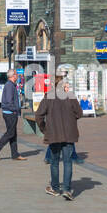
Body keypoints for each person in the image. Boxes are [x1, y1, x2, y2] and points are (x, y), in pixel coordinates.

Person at [35, 72, 82, 200]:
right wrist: (71, 120)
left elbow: (38, 115)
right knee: (67, 162)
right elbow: (79, 113)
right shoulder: (70, 96)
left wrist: (44, 128)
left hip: (54, 133)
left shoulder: (49, 96)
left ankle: (55, 188)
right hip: (68, 134)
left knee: (54, 162)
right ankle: (66, 189)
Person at [0, 72, 27, 161]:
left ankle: (15, 154)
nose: (17, 76)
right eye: (16, 74)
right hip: (10, 113)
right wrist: (15, 110)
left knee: (13, 134)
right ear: (12, 76)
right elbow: (9, 101)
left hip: (11, 112)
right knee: (10, 133)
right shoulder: (9, 85)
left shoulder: (12, 85)